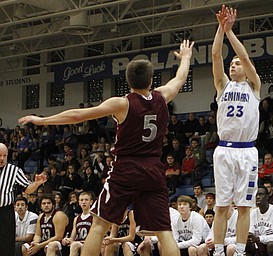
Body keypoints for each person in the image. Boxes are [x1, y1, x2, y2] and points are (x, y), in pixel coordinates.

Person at [19, 39, 194, 256]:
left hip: (126, 168)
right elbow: (180, 78)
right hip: (153, 169)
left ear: (128, 82)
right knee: (163, 230)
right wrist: (185, 57)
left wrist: (41, 120)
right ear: (151, 80)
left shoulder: (122, 103)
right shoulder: (162, 96)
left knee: (100, 224)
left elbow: (76, 115)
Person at [212, 5, 261, 256]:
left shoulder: (254, 85)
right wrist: (221, 28)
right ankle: (219, 251)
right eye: (231, 64)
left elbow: (244, 57)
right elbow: (216, 55)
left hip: (247, 151)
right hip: (224, 150)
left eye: (236, 63)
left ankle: (240, 251)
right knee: (221, 206)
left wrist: (232, 33)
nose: (233, 65)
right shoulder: (222, 85)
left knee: (244, 207)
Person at [0, 143, 46, 256]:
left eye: (4, 156)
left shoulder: (13, 170)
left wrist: (36, 184)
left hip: (5, 212)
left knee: (6, 245)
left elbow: (27, 189)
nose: (2, 158)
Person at [247, 186, 273, 256]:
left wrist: (259, 239)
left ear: (267, 196)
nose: (258, 197)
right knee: (247, 244)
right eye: (256, 195)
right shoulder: (253, 212)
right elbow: (251, 232)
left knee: (271, 245)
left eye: (260, 194)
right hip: (259, 244)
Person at [62, 191, 94, 256]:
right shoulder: (76, 218)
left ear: (91, 202)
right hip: (77, 244)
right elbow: (72, 237)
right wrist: (67, 240)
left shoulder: (94, 217)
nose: (84, 202)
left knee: (75, 245)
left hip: (90, 245)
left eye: (86, 200)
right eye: (81, 200)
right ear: (79, 202)